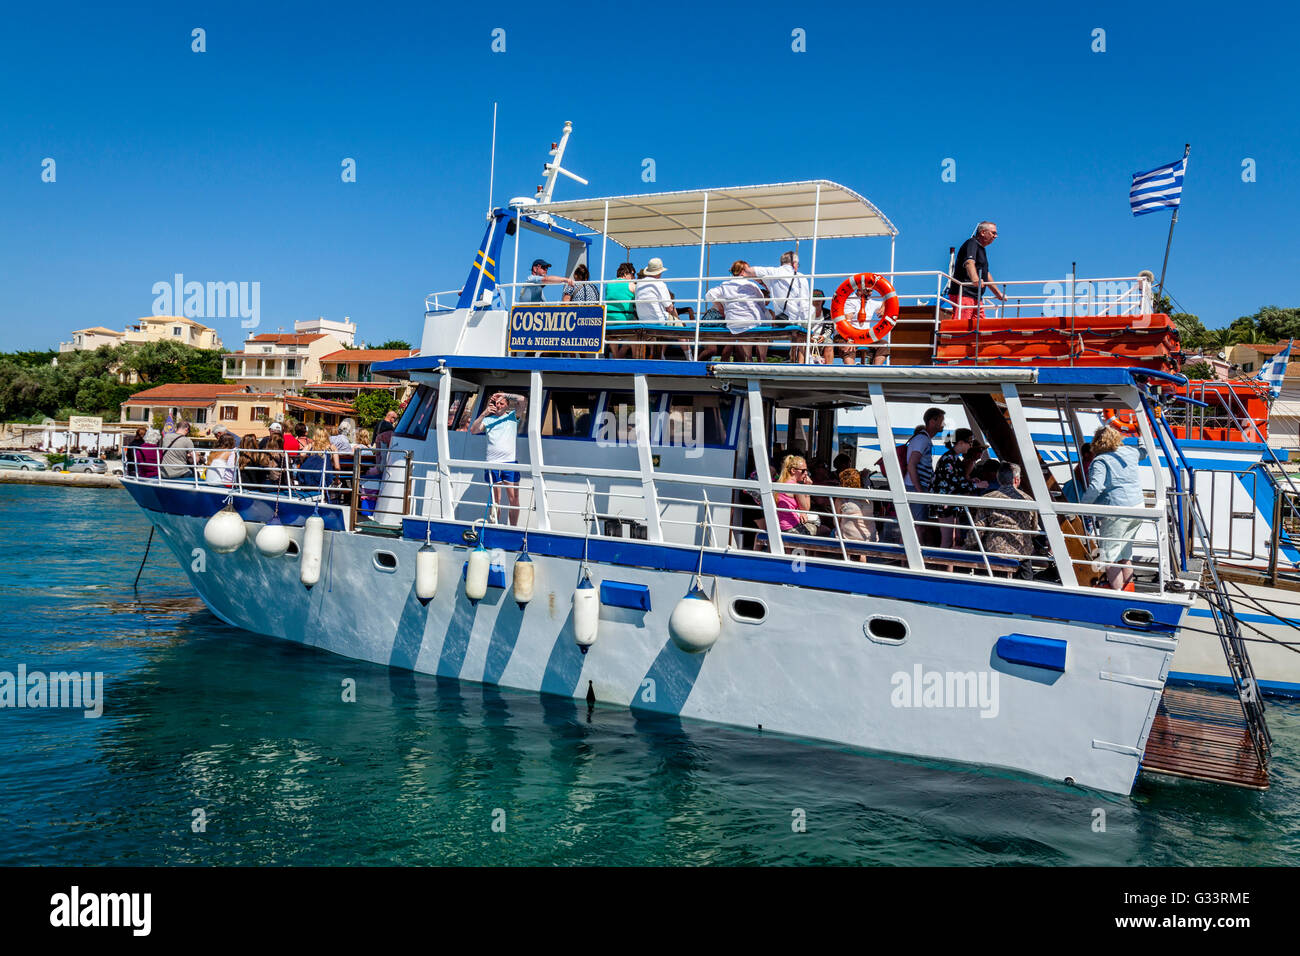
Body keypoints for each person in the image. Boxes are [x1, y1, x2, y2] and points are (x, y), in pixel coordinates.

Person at [1079, 425, 1146, 591]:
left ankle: (1117, 592)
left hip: (1116, 511)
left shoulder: (1100, 461)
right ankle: (1128, 588)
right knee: (1125, 552)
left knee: (1109, 556)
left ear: (1097, 442)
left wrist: (1081, 506)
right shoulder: (1130, 452)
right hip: (1138, 508)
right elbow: (1144, 452)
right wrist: (1142, 435)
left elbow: (1095, 487)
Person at [930, 429, 990, 569]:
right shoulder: (949, 459)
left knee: (951, 540)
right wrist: (976, 484)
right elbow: (956, 483)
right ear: (961, 442)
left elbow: (957, 481)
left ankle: (946, 570)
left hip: (950, 504)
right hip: (945, 504)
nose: (970, 446)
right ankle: (942, 573)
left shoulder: (952, 458)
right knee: (947, 540)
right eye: (969, 442)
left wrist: (970, 480)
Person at [471, 391, 528, 525]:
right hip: (492, 464)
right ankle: (494, 525)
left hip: (510, 464)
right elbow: (473, 430)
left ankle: (513, 528)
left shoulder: (512, 417)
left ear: (507, 405)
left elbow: (522, 399)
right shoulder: (488, 419)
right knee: (496, 499)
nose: (498, 405)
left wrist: (504, 394)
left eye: (502, 403)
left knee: (514, 499)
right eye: (496, 403)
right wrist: (485, 412)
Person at [973, 462, 1038, 568]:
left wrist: (967, 546)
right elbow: (1033, 530)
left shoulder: (987, 498)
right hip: (1022, 554)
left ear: (999, 479)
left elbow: (978, 528)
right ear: (1017, 480)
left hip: (996, 553)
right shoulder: (1028, 500)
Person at [705, 260, 771, 363]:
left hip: (734, 324)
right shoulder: (751, 285)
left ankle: (748, 359)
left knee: (743, 332)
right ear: (743, 271)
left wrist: (720, 307)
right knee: (763, 331)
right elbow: (761, 303)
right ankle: (762, 360)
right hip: (753, 322)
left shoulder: (725, 285)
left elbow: (709, 295)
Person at [752, 250, 811, 360]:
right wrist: (808, 322)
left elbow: (751, 271)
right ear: (794, 264)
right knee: (802, 334)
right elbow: (804, 303)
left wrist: (762, 283)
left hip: (781, 320)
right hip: (795, 319)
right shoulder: (800, 277)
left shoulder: (773, 273)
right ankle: (801, 362)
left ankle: (792, 358)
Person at [947, 221, 1006, 324]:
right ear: (983, 232)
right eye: (993, 233)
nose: (995, 236)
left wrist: (997, 293)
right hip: (965, 294)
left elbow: (986, 273)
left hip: (976, 297)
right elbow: (969, 262)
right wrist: (975, 279)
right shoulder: (971, 244)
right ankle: (958, 340)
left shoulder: (981, 249)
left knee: (980, 326)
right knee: (962, 326)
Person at [903, 408, 945, 539]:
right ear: (933, 421)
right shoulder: (922, 440)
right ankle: (915, 557)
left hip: (916, 487)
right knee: (919, 526)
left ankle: (905, 559)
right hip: (915, 488)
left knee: (913, 525)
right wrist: (919, 490)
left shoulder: (923, 438)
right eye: (942, 421)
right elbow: (912, 465)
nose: (944, 424)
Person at [773, 454, 819, 538]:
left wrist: (801, 512)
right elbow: (806, 508)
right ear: (793, 470)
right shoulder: (796, 487)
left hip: (779, 527)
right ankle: (811, 551)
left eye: (807, 471)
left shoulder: (780, 483)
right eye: (803, 470)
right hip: (791, 528)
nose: (806, 473)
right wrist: (808, 487)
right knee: (824, 530)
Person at [835, 467, 874, 550]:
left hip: (848, 539)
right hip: (871, 538)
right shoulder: (868, 498)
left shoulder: (841, 500)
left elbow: (836, 522)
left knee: (830, 533)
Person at [605, 262, 638, 358]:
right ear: (625, 273)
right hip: (624, 321)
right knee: (636, 334)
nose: (634, 277)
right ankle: (636, 359)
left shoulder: (609, 284)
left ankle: (616, 356)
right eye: (632, 274)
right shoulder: (631, 285)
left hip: (609, 320)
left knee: (612, 336)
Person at [634, 258, 677, 324]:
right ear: (660, 272)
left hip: (642, 322)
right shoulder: (660, 284)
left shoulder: (638, 284)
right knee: (679, 323)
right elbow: (670, 308)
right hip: (659, 321)